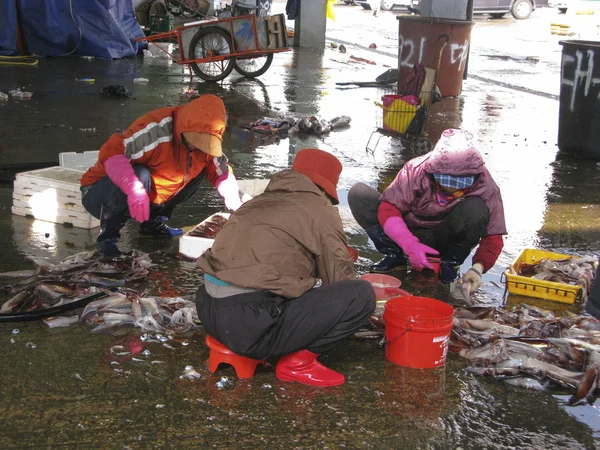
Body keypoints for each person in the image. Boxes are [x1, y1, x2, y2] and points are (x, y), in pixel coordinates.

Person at [196, 148, 376, 387]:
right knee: (360, 295)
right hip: (248, 324)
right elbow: (340, 281)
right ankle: (296, 364)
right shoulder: (320, 208)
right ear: (325, 188)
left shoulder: (258, 201)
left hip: (208, 310)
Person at [80, 94, 243, 259]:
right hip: (98, 192)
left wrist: (232, 195)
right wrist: (133, 188)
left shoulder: (206, 145)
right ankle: (107, 241)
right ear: (184, 128)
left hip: (145, 197)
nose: (199, 146)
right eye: (196, 140)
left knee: (196, 174)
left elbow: (220, 171)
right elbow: (111, 154)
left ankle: (152, 224)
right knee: (140, 174)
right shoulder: (155, 130)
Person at [348, 128, 506, 291]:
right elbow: (389, 209)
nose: (451, 189)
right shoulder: (416, 170)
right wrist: (409, 244)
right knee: (359, 194)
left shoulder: (487, 186)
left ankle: (449, 263)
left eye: (460, 183)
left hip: (445, 237)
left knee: (476, 209)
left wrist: (477, 269)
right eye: (446, 181)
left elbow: (494, 236)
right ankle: (396, 255)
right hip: (408, 232)